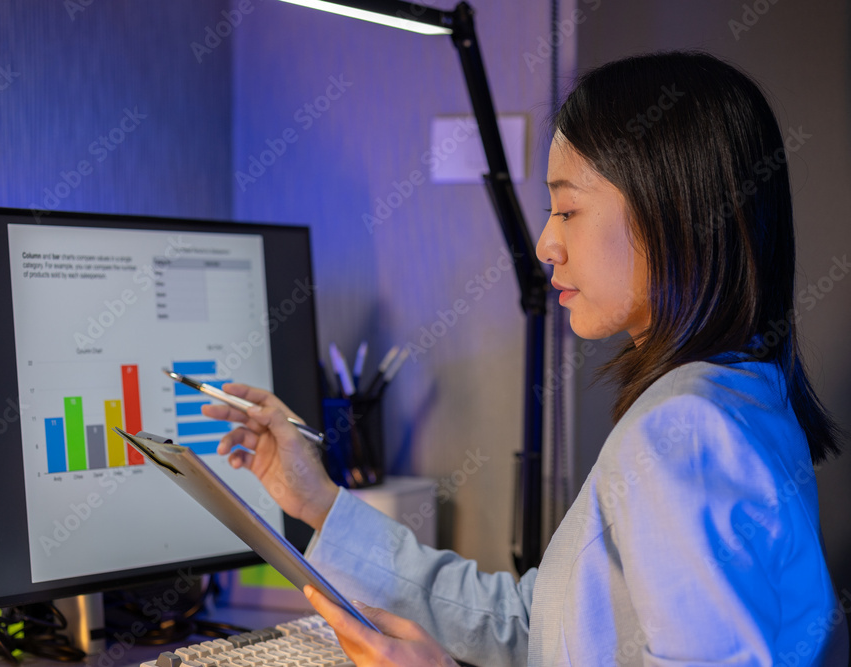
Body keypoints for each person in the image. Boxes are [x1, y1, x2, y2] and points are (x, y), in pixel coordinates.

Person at [203, 51, 850, 666]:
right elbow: (532, 622)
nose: (545, 244)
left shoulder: (685, 430)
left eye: (567, 208)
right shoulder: (734, 398)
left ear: (675, 215)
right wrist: (316, 499)